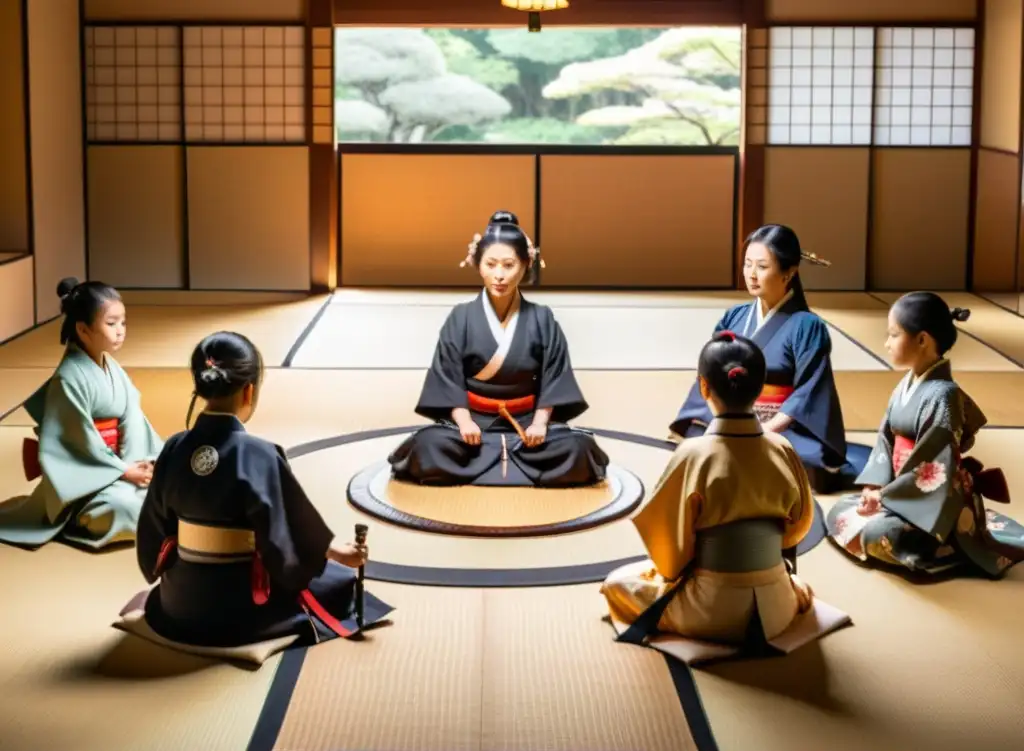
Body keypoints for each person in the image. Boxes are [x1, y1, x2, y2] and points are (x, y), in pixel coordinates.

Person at [126, 332, 393, 656]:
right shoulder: (260, 455)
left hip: (180, 607)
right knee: (336, 582)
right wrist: (337, 552)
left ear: (200, 386)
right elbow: (285, 536)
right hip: (241, 612)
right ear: (249, 390)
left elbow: (154, 531)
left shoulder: (173, 448)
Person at [602, 331, 847, 655]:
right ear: (759, 389)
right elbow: (796, 529)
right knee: (798, 588)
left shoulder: (693, 453)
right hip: (777, 608)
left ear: (704, 387)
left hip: (710, 609)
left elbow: (670, 549)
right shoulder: (782, 448)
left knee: (619, 583)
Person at [388, 210, 609, 487]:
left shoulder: (542, 318)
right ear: (477, 263)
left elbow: (555, 378)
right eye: (491, 265)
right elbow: (448, 377)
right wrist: (464, 421)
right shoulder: (461, 317)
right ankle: (512, 463)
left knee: (580, 449)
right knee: (427, 445)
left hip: (529, 426)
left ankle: (485, 464)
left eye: (509, 265)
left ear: (526, 264)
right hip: (471, 428)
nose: (499, 275)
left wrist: (540, 424)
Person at [825, 293, 1024, 578]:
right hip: (898, 492)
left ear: (922, 340)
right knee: (842, 509)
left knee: (880, 533)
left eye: (893, 335)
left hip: (932, 505)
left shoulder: (944, 395)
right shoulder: (903, 385)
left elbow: (934, 465)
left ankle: (944, 545)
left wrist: (883, 496)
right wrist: (873, 487)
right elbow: (885, 441)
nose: (886, 343)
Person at [669, 224, 870, 494]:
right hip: (729, 414)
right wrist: (726, 420)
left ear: (789, 273)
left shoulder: (807, 326)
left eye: (762, 267)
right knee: (695, 437)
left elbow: (809, 392)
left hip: (780, 425)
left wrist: (762, 429)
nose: (751, 275)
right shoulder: (734, 316)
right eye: (747, 264)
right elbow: (712, 372)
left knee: (797, 457)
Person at [0, 278, 163, 550]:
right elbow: (78, 443)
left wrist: (140, 464)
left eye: (123, 323)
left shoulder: (112, 368)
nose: (120, 331)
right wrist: (124, 471)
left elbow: (133, 418)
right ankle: (75, 519)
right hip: (84, 484)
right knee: (126, 509)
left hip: (118, 468)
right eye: (111, 324)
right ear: (84, 330)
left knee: (163, 494)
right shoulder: (69, 379)